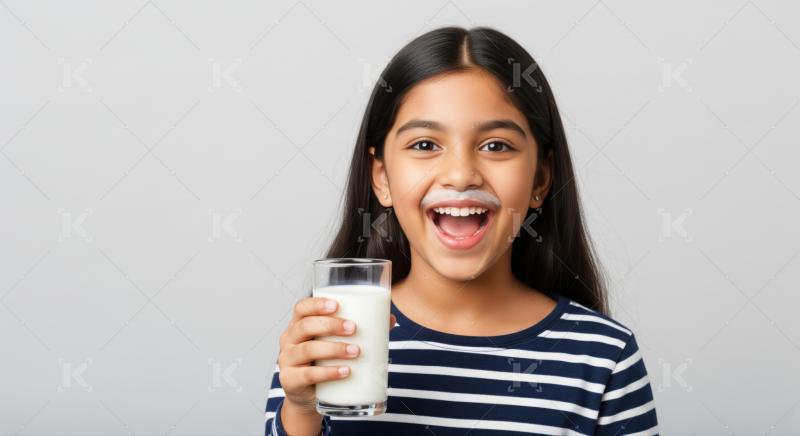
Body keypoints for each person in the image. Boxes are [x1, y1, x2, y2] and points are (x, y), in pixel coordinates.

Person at [265, 25, 659, 435]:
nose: (459, 174)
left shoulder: (602, 357)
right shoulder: (326, 346)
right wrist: (302, 413)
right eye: (424, 145)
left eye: (495, 146)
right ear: (381, 177)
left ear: (540, 180)